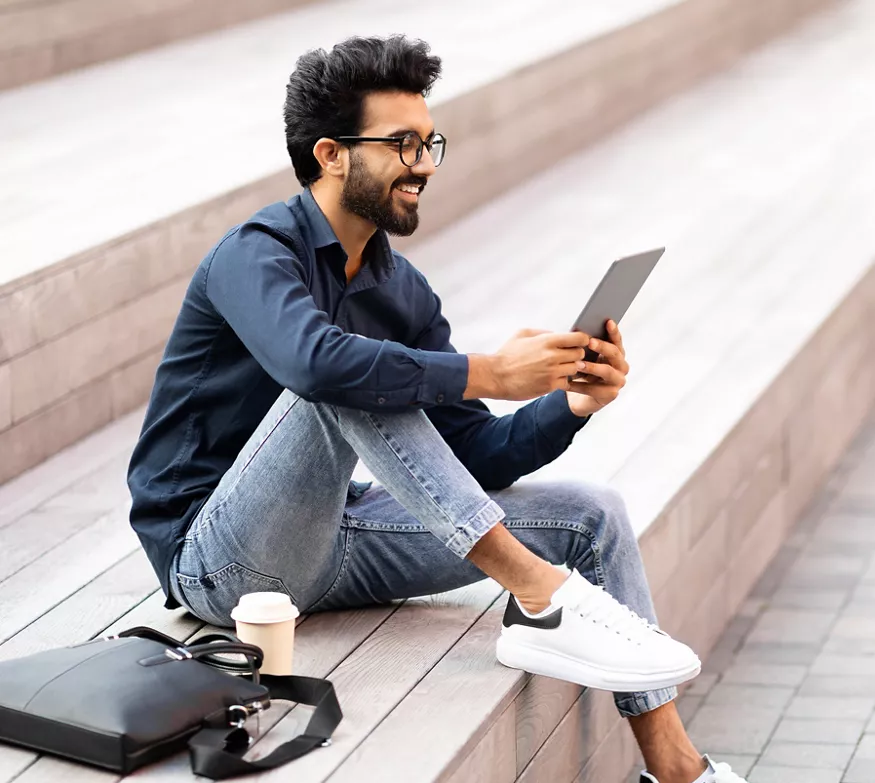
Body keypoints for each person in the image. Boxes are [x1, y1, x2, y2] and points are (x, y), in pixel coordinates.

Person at [127, 35, 747, 783]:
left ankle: (678, 771)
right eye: (402, 144)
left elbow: (471, 457)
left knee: (592, 510)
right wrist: (486, 369)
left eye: (430, 143)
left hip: (340, 539)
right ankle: (540, 594)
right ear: (330, 154)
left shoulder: (401, 289)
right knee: (337, 377)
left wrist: (567, 404)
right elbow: (312, 365)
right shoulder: (254, 253)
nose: (423, 164)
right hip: (220, 563)